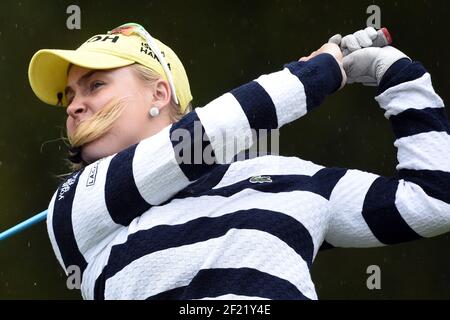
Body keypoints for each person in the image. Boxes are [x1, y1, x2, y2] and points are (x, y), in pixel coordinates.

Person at [28, 23, 450, 300]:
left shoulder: (288, 179)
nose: (74, 107)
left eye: (94, 85)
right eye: (69, 97)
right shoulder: (73, 208)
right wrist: (319, 73)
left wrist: (398, 77)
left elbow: (433, 201)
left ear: (159, 95)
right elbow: (206, 135)